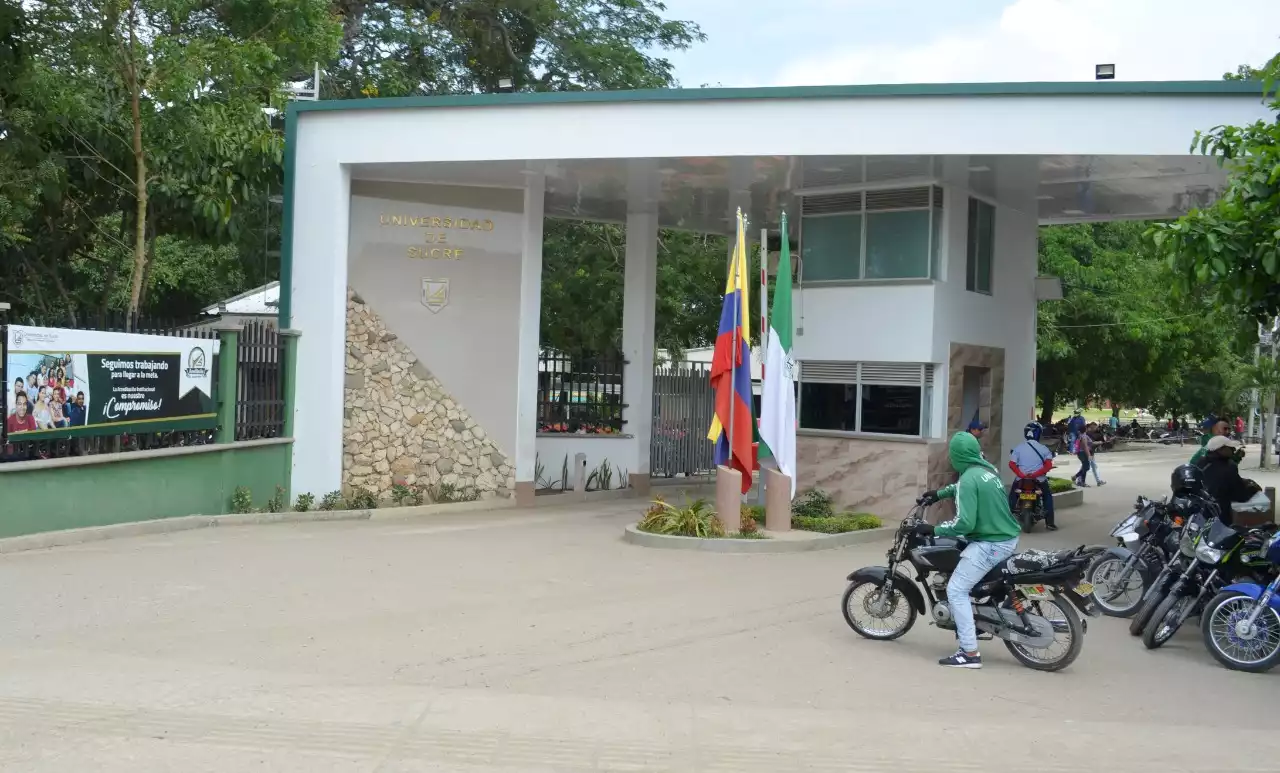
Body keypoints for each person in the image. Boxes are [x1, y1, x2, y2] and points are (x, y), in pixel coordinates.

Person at [914, 431, 1022, 669]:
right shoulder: (986, 471)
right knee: (962, 560)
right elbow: (964, 489)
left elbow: (964, 524)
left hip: (991, 543)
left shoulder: (968, 479)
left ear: (957, 455)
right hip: (1006, 536)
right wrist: (939, 494)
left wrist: (934, 529)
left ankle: (969, 653)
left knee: (956, 590)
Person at [1192, 437, 1258, 526]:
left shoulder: (1201, 462)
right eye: (1230, 447)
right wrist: (1253, 488)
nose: (1234, 449)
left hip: (1199, 514)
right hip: (1219, 517)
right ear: (1220, 449)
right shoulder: (1229, 467)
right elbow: (1241, 496)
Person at [1008, 421, 1057, 530]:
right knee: (1047, 497)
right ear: (1039, 433)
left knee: (1012, 497)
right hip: (1039, 480)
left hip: (1021, 479)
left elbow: (1012, 464)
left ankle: (1006, 522)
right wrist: (1035, 474)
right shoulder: (1044, 449)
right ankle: (1050, 523)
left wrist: (1021, 474)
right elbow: (1048, 466)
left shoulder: (1018, 448)